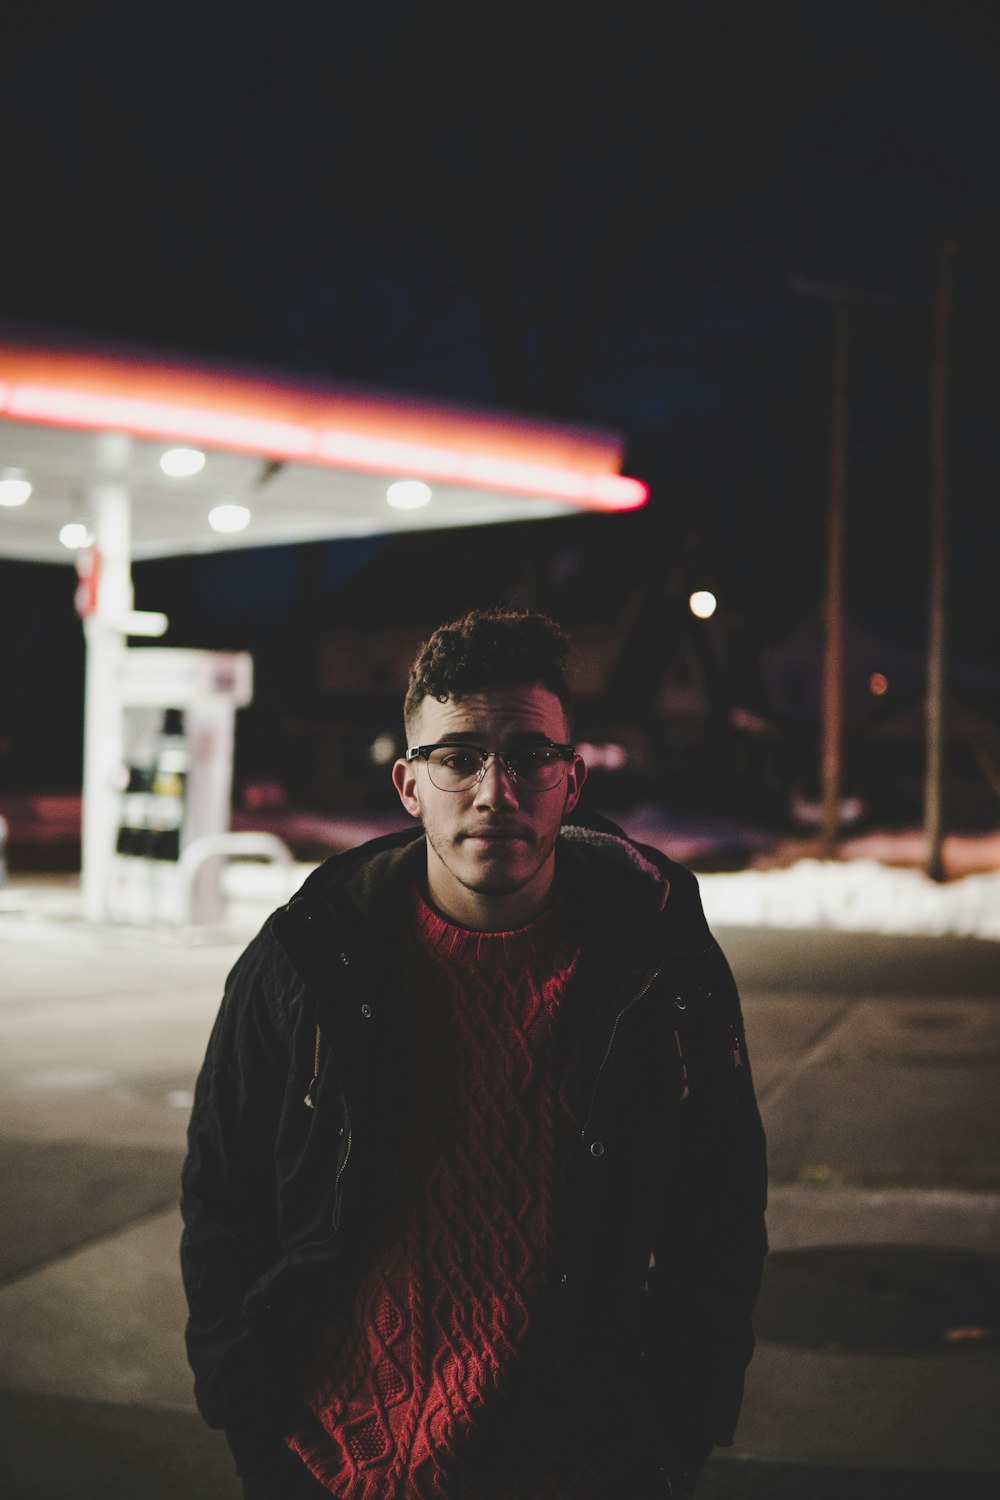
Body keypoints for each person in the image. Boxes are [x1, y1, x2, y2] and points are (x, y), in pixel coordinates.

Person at [180, 608, 767, 1500]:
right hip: (329, 1453)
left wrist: (675, 1429)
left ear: (572, 782)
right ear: (409, 785)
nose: (497, 791)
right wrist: (245, 1401)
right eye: (458, 757)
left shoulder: (660, 965)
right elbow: (223, 1191)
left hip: (577, 1465)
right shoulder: (308, 957)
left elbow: (718, 1214)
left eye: (530, 756)